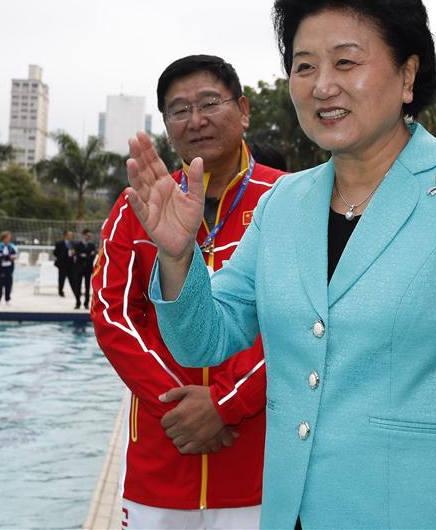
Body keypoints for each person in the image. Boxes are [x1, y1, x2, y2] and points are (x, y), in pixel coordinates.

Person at [125, 0, 436, 529]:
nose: (322, 85)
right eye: (304, 66)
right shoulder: (283, 204)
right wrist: (177, 254)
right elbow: (205, 338)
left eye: (346, 62)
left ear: (407, 76)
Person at [91, 55, 285, 529]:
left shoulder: (288, 199)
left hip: (261, 464)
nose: (195, 120)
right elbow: (111, 315)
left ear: (243, 110)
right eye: (178, 110)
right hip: (162, 460)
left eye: (209, 103)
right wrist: (175, 404)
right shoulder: (137, 205)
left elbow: (302, 318)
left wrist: (226, 404)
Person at [74, 229, 96, 309]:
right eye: (87, 236)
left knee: (87, 287)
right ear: (84, 235)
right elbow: (77, 254)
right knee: (78, 286)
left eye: (90, 236)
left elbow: (93, 255)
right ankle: (78, 303)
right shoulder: (77, 244)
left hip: (88, 269)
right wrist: (88, 255)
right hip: (79, 269)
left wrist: (84, 255)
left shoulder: (92, 245)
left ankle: (86, 303)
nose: (89, 237)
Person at [0, 231, 17, 303]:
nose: (8, 239)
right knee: (0, 283)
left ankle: (7, 298)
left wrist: (8, 257)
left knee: (8, 284)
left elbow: (14, 255)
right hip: (1, 268)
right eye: (7, 237)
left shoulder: (11, 246)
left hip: (9, 268)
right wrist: (6, 257)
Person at [53, 230, 77, 299]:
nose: (70, 236)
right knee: (61, 279)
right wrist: (61, 256)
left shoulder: (73, 243)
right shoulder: (59, 243)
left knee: (72, 279)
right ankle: (60, 291)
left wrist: (73, 253)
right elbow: (55, 252)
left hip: (71, 265)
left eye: (71, 235)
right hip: (62, 265)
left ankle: (76, 292)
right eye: (69, 235)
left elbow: (76, 252)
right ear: (65, 235)